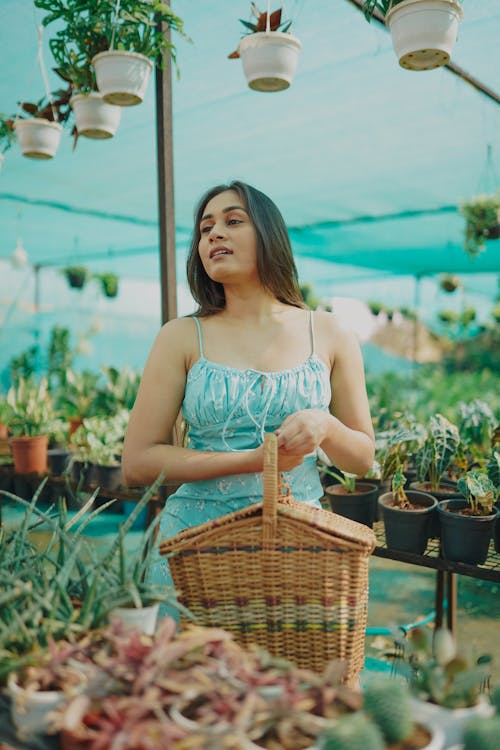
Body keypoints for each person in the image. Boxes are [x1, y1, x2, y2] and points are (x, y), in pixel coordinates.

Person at [122, 180, 375, 616]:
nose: (213, 234)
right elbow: (138, 462)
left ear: (269, 235)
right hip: (192, 548)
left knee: (293, 678)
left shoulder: (330, 333)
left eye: (232, 221)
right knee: (185, 680)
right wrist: (254, 460)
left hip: (299, 547)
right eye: (205, 229)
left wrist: (326, 425)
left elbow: (362, 459)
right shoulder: (181, 336)